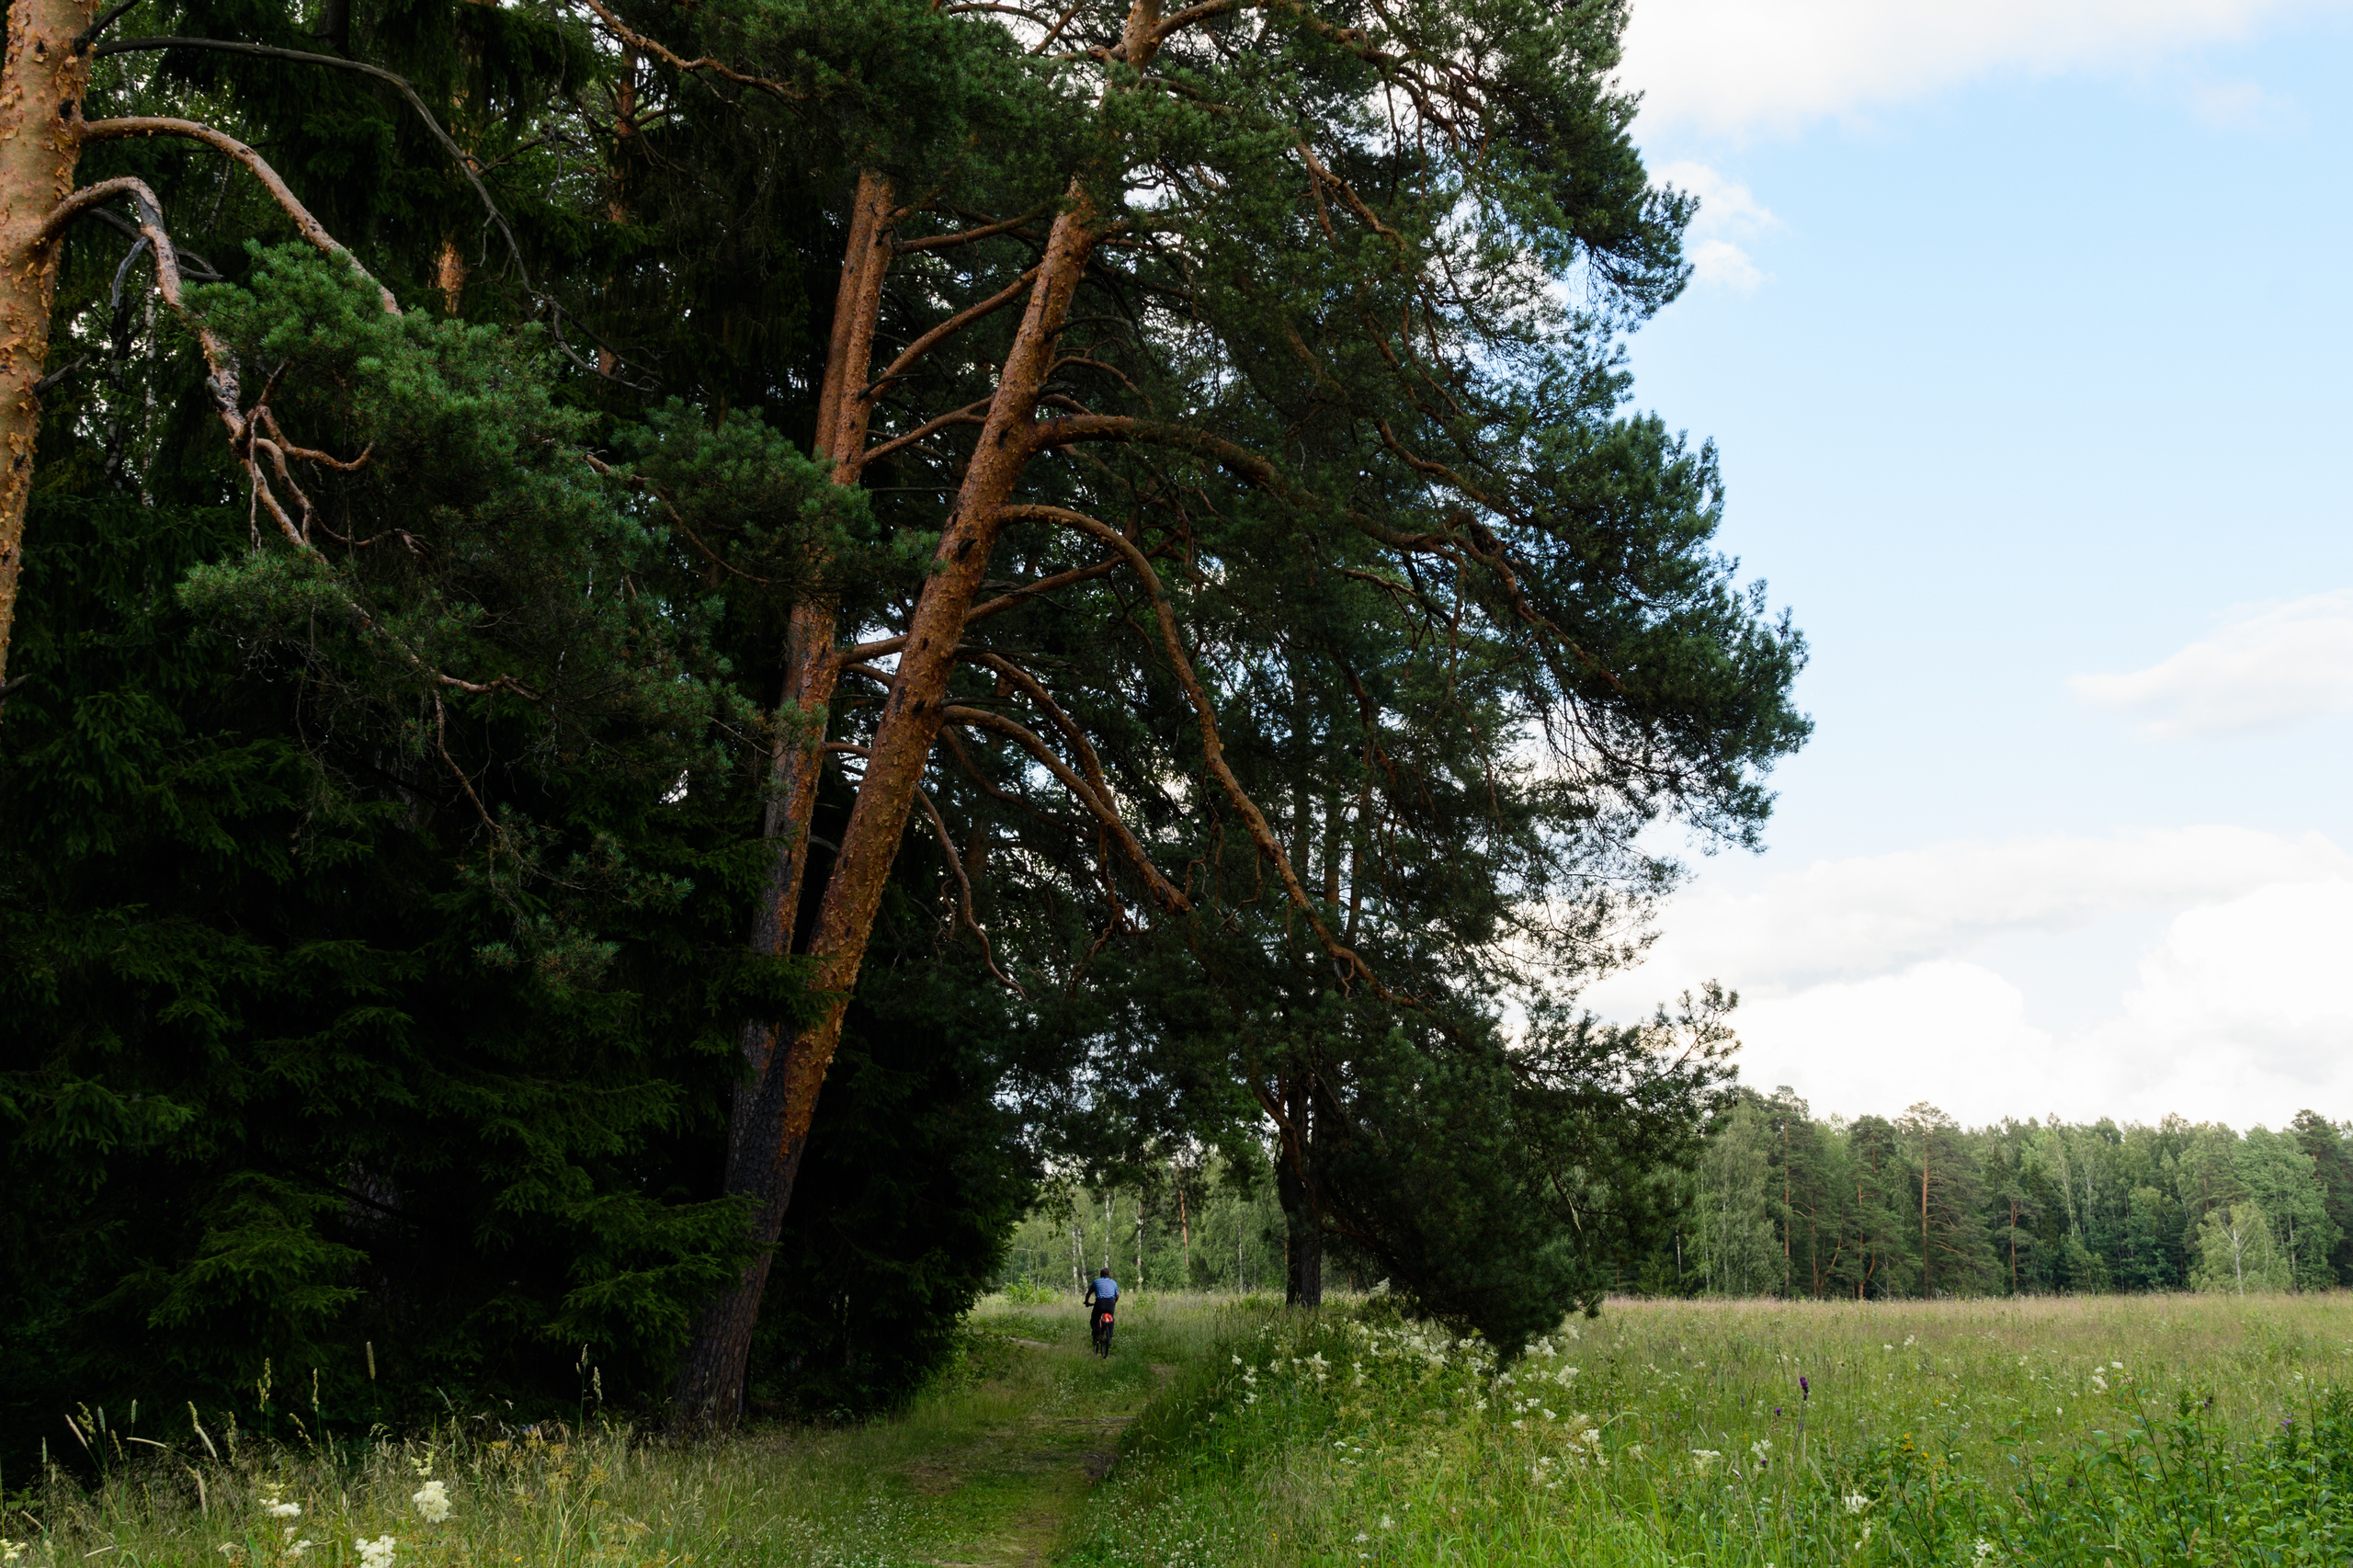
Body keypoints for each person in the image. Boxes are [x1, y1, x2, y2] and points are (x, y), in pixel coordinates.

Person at [1085, 1263, 1119, 1351]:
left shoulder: (1096, 1281)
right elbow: (1117, 1296)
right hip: (1111, 1303)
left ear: (1100, 1275)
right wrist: (1114, 1302)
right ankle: (1109, 1337)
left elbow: (1089, 1293)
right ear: (1109, 1275)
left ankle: (1096, 1335)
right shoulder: (1114, 1282)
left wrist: (1087, 1302)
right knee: (1111, 1319)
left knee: (1094, 1319)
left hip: (1100, 1303)